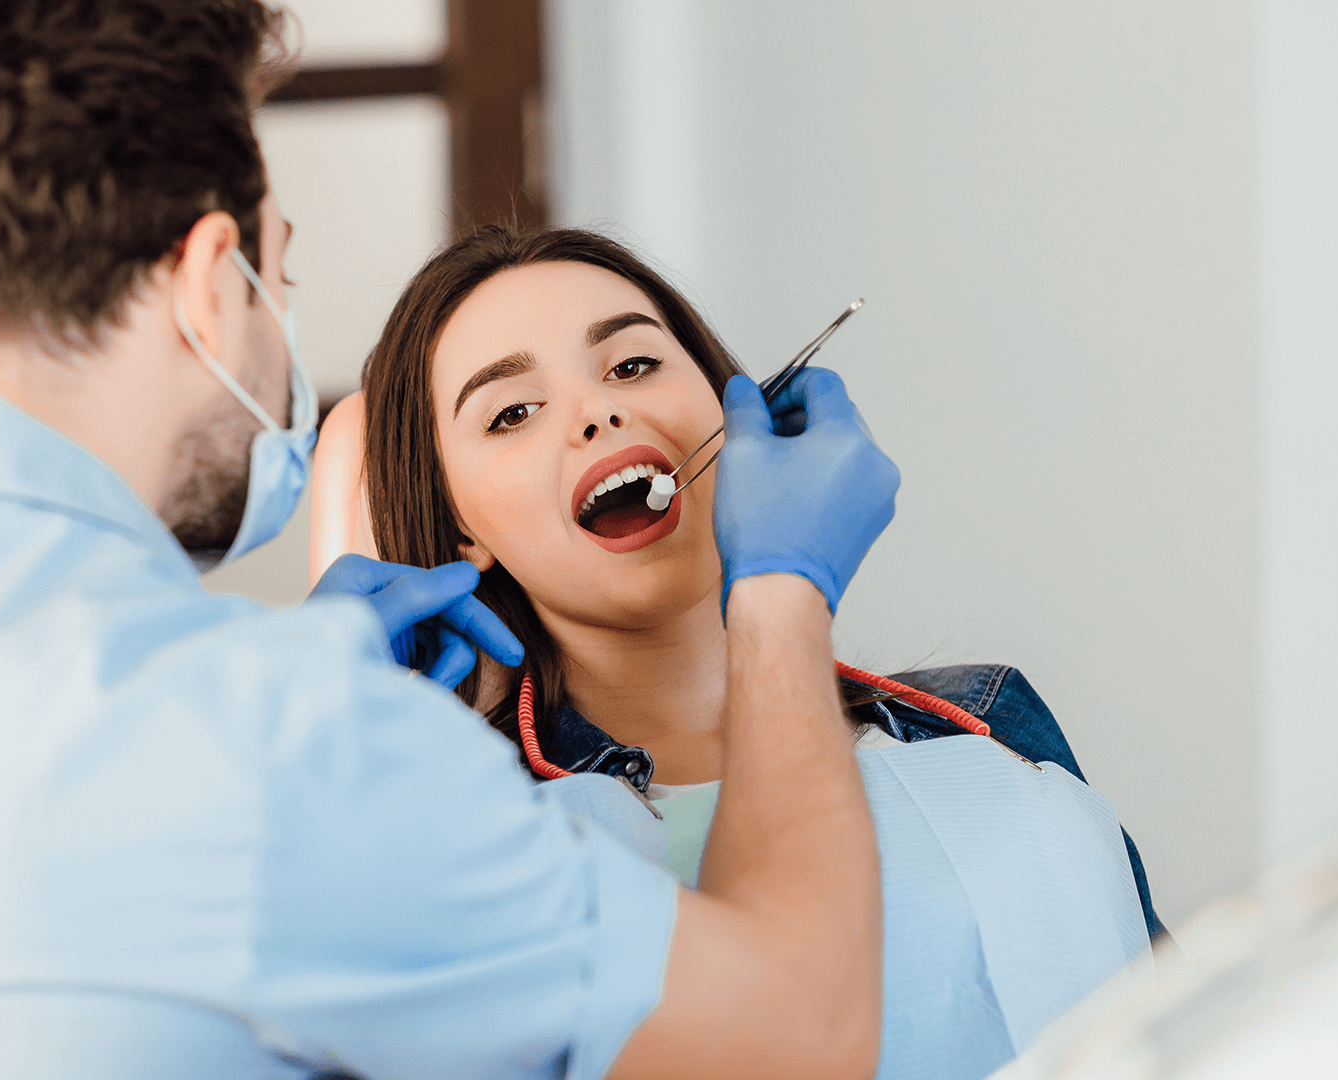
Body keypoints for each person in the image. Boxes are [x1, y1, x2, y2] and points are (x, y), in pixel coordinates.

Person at [0, 3, 899, 1078]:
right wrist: (779, 591)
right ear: (206, 281)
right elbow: (798, 1032)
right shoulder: (272, 744)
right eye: (278, 275)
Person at [344, 225, 1162, 1079]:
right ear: (463, 526)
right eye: (512, 412)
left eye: (631, 365)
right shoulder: (469, 838)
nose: (598, 412)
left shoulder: (984, 717)